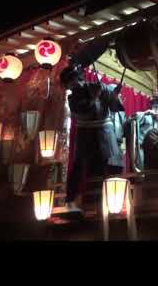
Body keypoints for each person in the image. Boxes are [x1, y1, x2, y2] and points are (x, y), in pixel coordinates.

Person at [60, 65, 126, 212]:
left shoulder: (100, 86)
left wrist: (114, 95)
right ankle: (70, 201)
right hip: (85, 133)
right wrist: (94, 97)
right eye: (71, 83)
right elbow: (79, 111)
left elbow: (115, 108)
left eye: (75, 79)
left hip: (105, 131)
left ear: (79, 77)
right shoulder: (73, 97)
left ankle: (110, 202)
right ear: (68, 85)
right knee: (80, 166)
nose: (75, 84)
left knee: (110, 166)